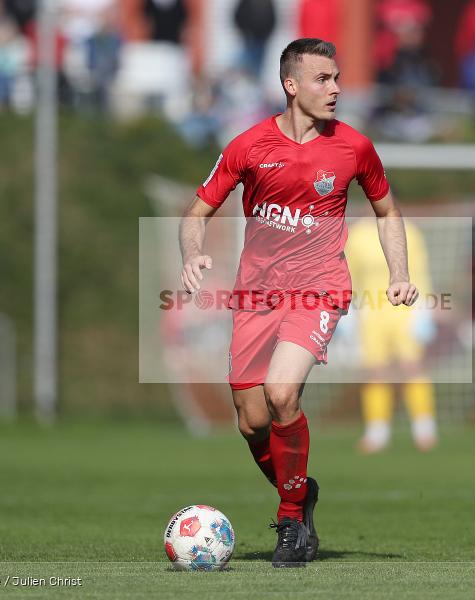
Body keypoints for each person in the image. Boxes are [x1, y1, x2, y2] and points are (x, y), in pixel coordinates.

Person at [178, 39, 418, 567]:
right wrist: (192, 255)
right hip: (256, 294)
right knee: (250, 419)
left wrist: (399, 272)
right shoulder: (247, 146)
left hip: (319, 289)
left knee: (281, 393)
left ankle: (290, 519)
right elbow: (196, 214)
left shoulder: (354, 147)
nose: (335, 89)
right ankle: (300, 490)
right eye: (322, 79)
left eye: (336, 78)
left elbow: (387, 211)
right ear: (292, 85)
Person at [346, 217, 437, 454]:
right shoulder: (357, 234)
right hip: (371, 311)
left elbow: (420, 271)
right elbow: (350, 273)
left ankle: (424, 429)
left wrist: (424, 307)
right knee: (375, 370)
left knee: (412, 366)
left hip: (405, 309)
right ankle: (377, 432)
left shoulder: (410, 231)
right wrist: (347, 310)